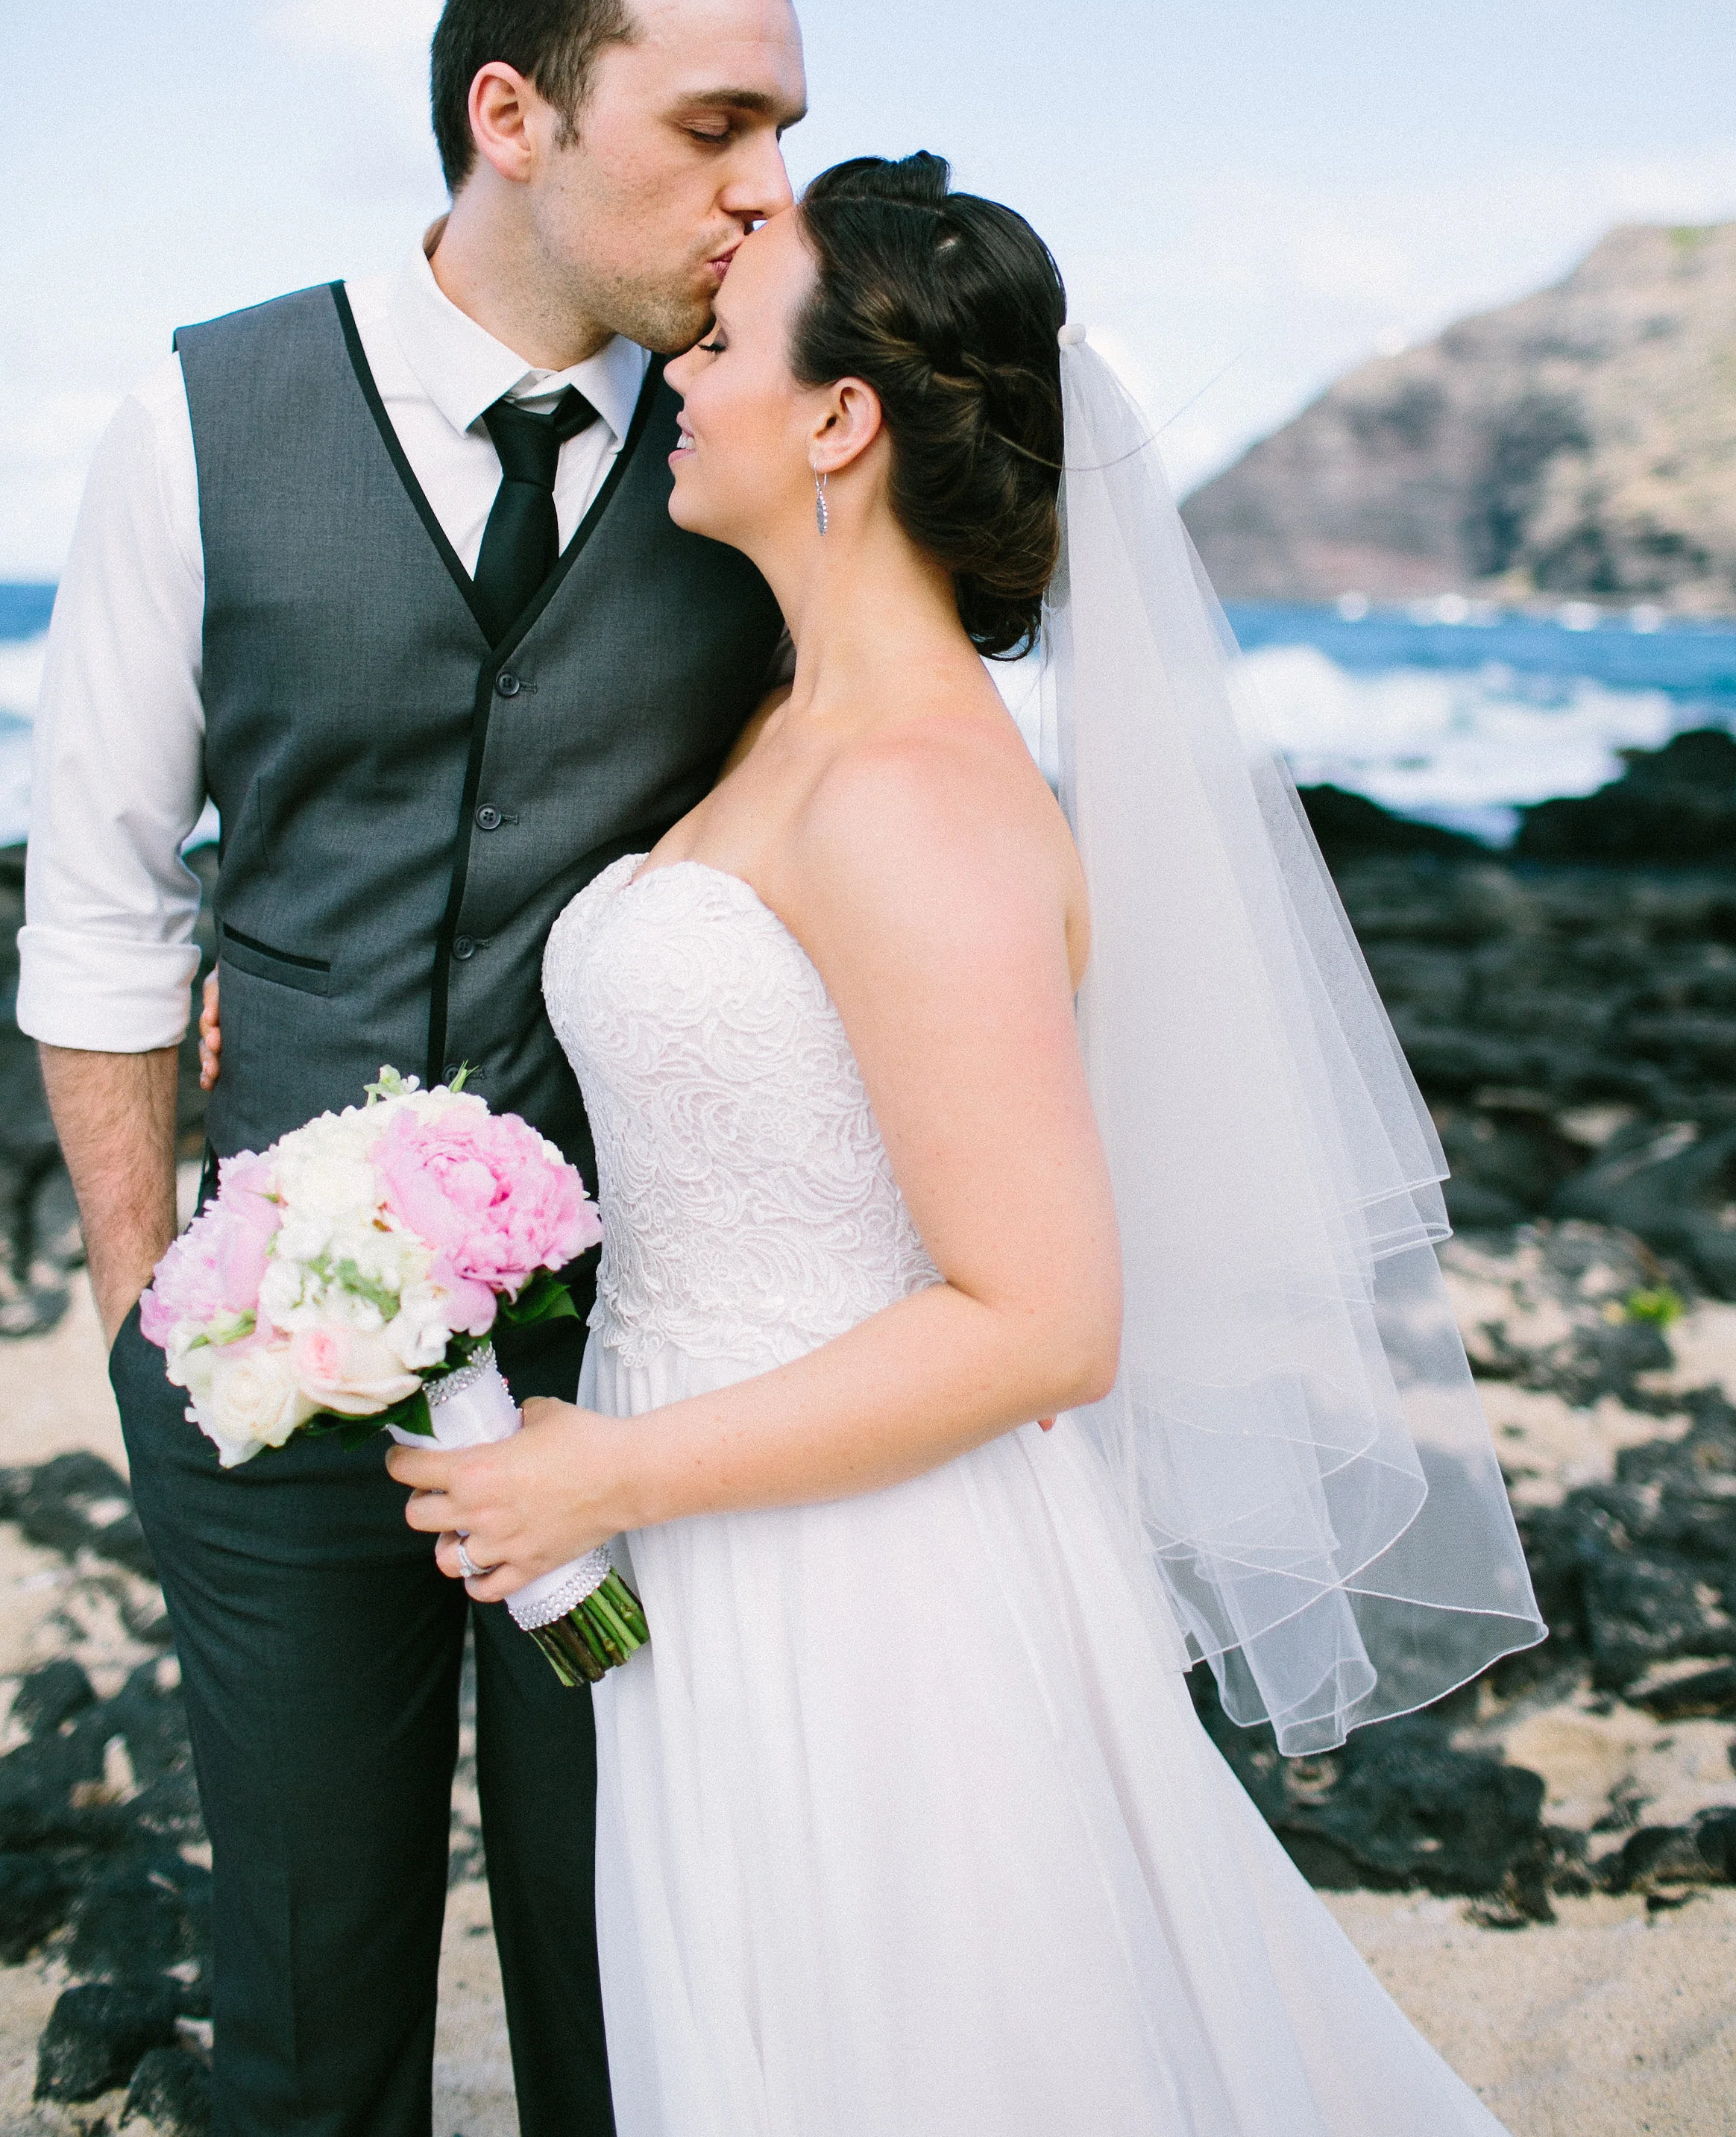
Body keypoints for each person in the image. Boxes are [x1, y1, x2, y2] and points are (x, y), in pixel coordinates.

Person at [389, 151, 1543, 2136]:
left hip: (873, 1591)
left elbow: (1039, 1321)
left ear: (839, 418)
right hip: (737, 1546)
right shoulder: (783, 726)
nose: (680, 370)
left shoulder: (917, 799)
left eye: (726, 343)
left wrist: (612, 1463)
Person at [20, 0, 808, 2137]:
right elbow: (96, 911)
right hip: (262, 1365)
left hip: (632, 1372)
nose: (766, 188)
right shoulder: (200, 416)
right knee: (307, 1990)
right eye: (716, 120)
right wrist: (150, 1304)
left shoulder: (740, 448)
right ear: (514, 114)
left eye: (788, 127)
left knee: (625, 1969)